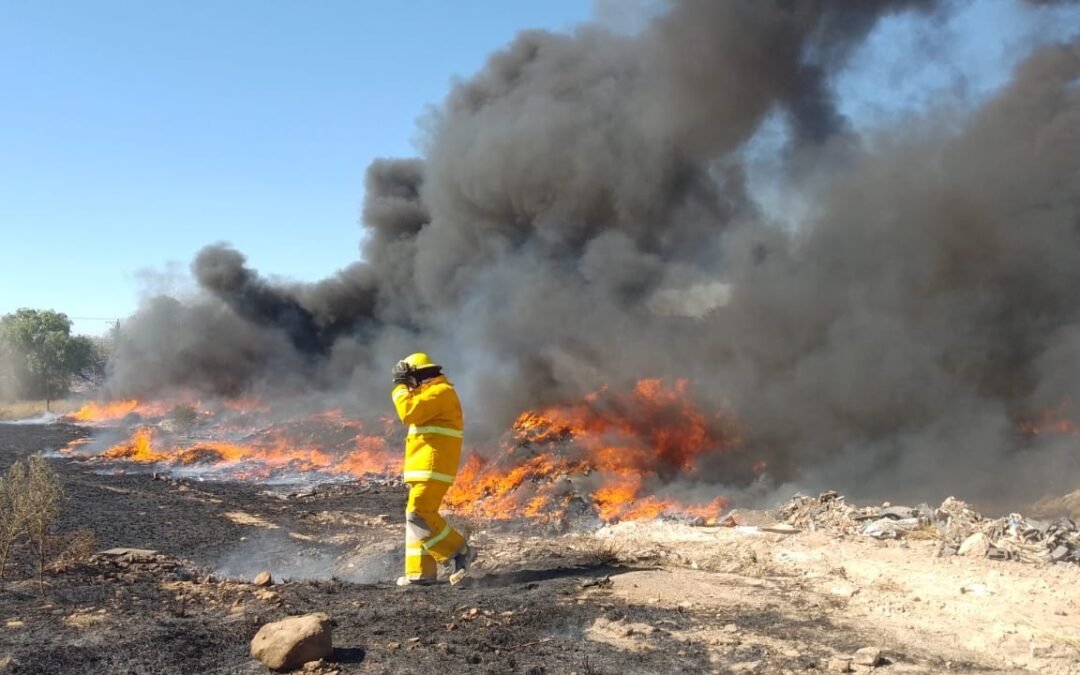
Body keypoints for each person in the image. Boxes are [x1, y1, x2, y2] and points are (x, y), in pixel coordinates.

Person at [390, 352, 475, 586]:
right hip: (424, 469)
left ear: (418, 376)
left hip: (433, 468)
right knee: (416, 518)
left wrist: (398, 387)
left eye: (410, 380)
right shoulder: (431, 394)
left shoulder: (441, 393)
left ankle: (460, 551)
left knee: (418, 514)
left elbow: (408, 413)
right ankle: (420, 574)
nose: (409, 386)